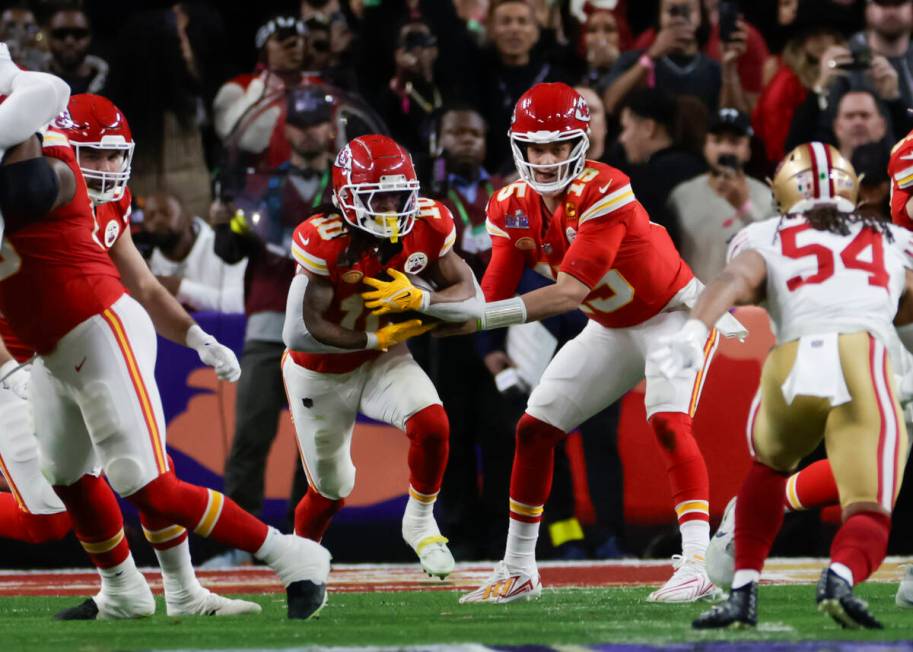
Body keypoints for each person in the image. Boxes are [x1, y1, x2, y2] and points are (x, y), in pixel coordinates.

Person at [0, 61, 329, 620]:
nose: (106, 167)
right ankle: (126, 591)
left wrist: (196, 336)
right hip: (51, 353)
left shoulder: (53, 168)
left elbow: (33, 154)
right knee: (70, 482)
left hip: (97, 328)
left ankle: (294, 556)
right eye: (97, 153)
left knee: (145, 483)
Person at [419, 82, 746, 604]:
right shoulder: (509, 204)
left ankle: (697, 560)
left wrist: (473, 319)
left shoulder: (606, 187)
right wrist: (428, 301)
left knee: (666, 421)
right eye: (535, 146)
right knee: (533, 430)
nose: (545, 159)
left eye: (556, 146)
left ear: (581, 143)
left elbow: (571, 292)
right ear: (518, 146)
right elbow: (495, 294)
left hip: (673, 316)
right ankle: (519, 567)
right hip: (610, 327)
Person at [656, 142, 911, 629]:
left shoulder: (763, 234)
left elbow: (734, 279)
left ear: (780, 191)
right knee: (871, 506)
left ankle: (744, 591)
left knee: (768, 470)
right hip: (865, 357)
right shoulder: (892, 239)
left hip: (793, 361)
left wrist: (694, 330)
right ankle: (839, 575)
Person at [281, 134, 483, 577]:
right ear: (346, 198)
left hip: (383, 360)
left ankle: (420, 521)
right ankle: (301, 564)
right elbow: (300, 331)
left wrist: (420, 301)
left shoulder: (428, 224)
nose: (391, 208)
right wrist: (375, 338)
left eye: (398, 195)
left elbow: (472, 296)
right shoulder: (324, 239)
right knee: (331, 489)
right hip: (321, 372)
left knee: (432, 424)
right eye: (378, 196)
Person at [207, 85, 337, 568]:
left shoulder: (351, 187)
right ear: (287, 130)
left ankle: (306, 543)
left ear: (331, 128)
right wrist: (223, 224)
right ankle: (242, 545)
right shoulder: (258, 184)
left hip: (326, 330)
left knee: (317, 447)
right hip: (268, 327)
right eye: (299, 124)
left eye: (315, 123)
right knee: (250, 437)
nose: (307, 132)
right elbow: (228, 252)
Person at [668, 107, 773, 282]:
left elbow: (772, 252)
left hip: (743, 306)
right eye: (717, 141)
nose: (725, 149)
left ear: (748, 150)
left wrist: (744, 206)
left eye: (735, 142)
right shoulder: (681, 196)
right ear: (705, 146)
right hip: (692, 303)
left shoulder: (767, 198)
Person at [141, 189, 246, 314]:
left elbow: (238, 304)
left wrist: (180, 288)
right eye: (150, 216)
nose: (157, 220)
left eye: (166, 213)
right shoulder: (148, 266)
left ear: (188, 217)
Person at [41, 3, 107, 95]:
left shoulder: (112, 84)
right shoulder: (31, 84)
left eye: (78, 34)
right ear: (49, 37)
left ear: (90, 37)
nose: (69, 41)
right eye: (60, 34)